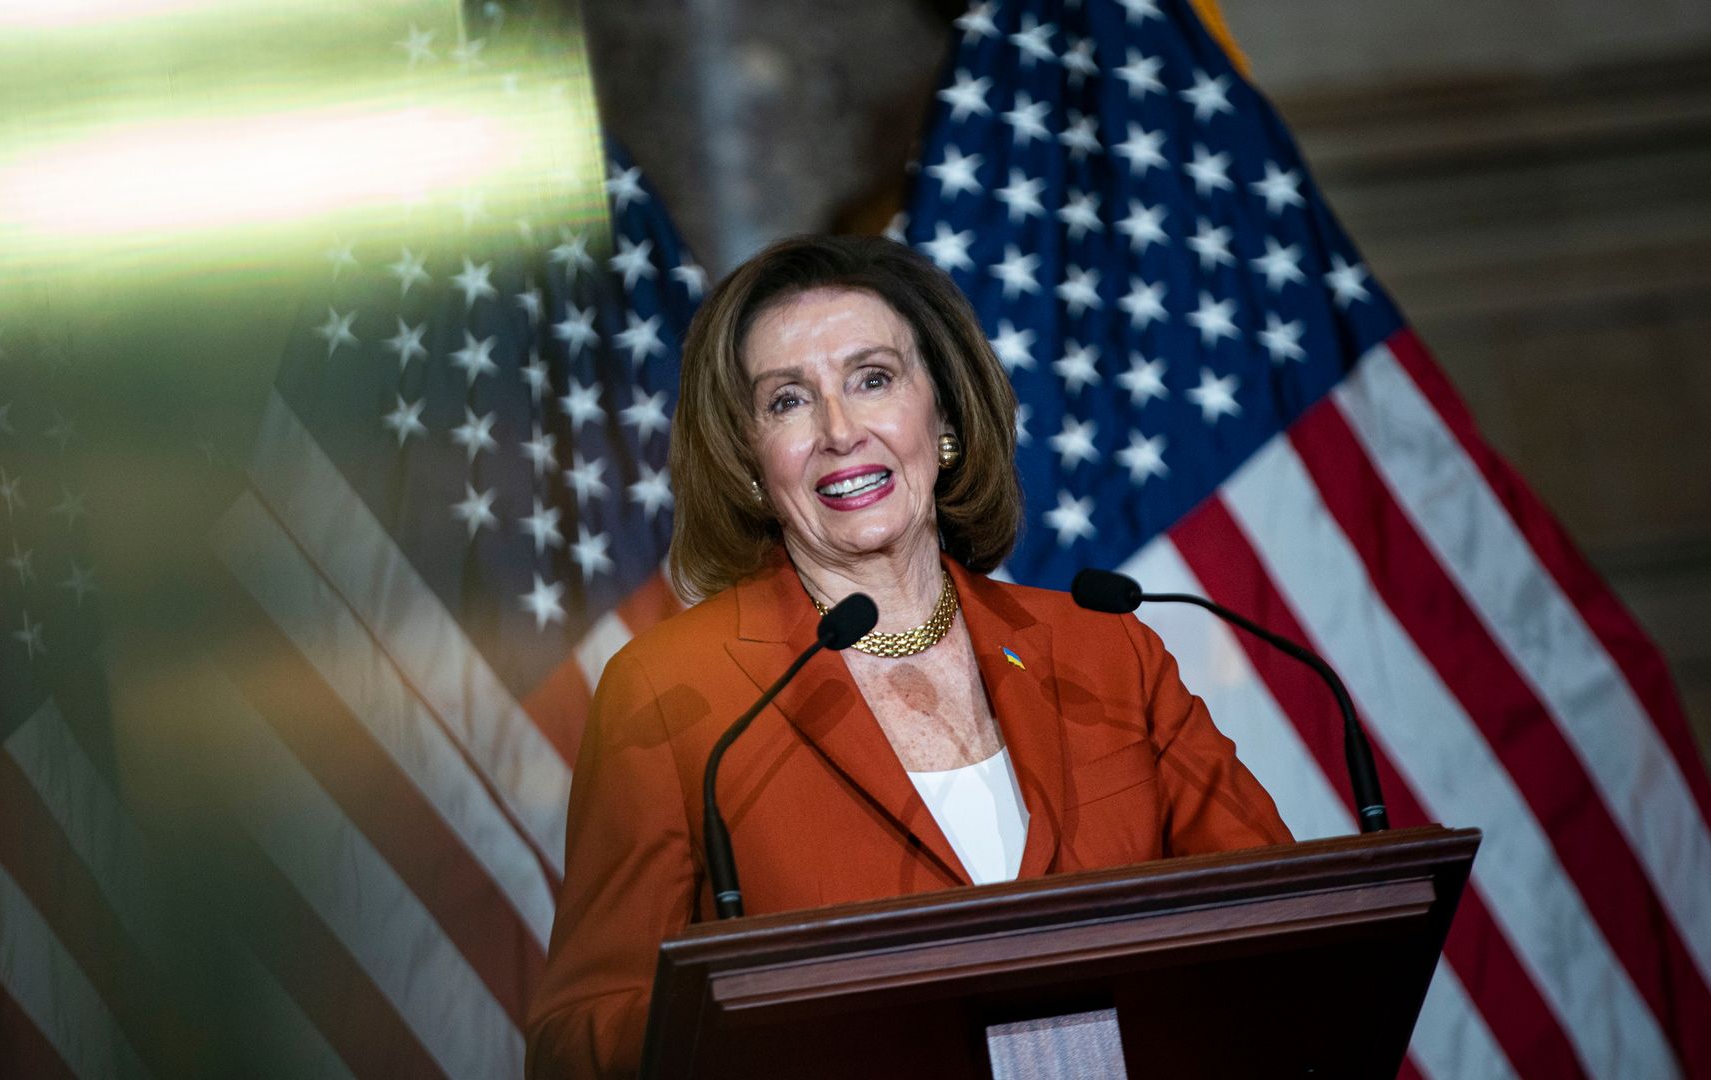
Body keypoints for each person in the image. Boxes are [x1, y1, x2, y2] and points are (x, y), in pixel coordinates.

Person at [524, 234, 1291, 1078]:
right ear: (748, 461)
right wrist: (761, 1023)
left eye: (872, 379)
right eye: (787, 401)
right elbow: (579, 1038)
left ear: (945, 414)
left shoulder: (1107, 652)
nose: (839, 431)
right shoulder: (678, 693)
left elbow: (1285, 925)